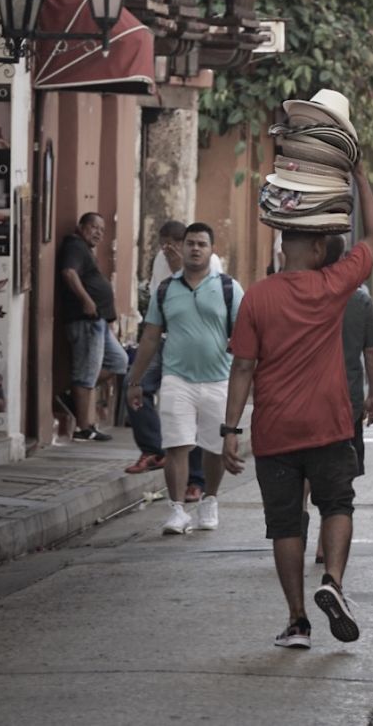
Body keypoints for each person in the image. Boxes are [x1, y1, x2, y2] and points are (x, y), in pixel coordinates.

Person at [222, 163, 373, 651]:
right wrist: (357, 173)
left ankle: (297, 622)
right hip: (329, 426)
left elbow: (243, 369)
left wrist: (230, 430)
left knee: (286, 525)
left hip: (275, 432)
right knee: (338, 504)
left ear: (280, 246)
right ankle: (332, 580)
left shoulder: (255, 297)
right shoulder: (334, 287)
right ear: (318, 248)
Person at [126, 222, 243, 536]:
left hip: (219, 379)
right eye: (190, 243)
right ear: (183, 247)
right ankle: (176, 510)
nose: (194, 249)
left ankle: (210, 500)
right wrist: (135, 381)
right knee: (177, 444)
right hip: (177, 379)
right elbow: (150, 336)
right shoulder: (166, 289)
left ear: (210, 250)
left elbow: (246, 337)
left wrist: (249, 382)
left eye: (201, 244)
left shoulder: (229, 287)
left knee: (214, 447)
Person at [309, 234, 373, 565]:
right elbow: (371, 353)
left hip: (306, 399)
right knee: (339, 476)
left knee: (305, 471)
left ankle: (296, 529)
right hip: (346, 403)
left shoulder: (304, 292)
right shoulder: (360, 300)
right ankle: (326, 542)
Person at [57, 212, 128, 441]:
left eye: (102, 230)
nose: (98, 233)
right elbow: (69, 272)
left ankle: (73, 395)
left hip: (98, 323)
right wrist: (87, 300)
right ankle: (83, 428)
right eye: (93, 227)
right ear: (81, 226)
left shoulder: (85, 250)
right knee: (85, 374)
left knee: (120, 361)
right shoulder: (75, 246)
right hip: (85, 320)